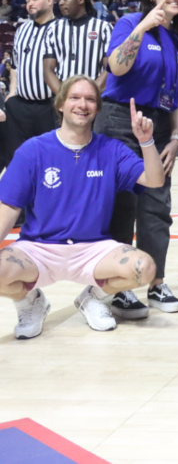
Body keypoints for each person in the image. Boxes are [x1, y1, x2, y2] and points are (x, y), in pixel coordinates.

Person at [0, 77, 163, 338]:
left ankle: (93, 298)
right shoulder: (33, 151)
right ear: (61, 104)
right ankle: (31, 303)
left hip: (92, 249)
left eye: (90, 99)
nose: (82, 104)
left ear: (97, 109)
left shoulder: (111, 149)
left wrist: (146, 141)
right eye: (75, 97)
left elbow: (154, 180)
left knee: (144, 268)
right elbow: (7, 208)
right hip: (39, 248)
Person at [96, 0, 178, 318]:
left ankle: (157, 281)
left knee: (156, 204)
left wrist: (177, 137)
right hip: (121, 119)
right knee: (123, 204)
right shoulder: (129, 22)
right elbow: (117, 68)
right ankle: (120, 287)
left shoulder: (177, 38)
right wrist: (142, 27)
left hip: (159, 124)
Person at [5, 0, 59, 160]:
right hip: (21, 105)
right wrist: (12, 92)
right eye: (28, 1)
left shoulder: (63, 29)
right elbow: (15, 64)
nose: (30, 4)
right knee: (17, 156)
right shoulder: (22, 29)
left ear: (50, 1)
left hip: (50, 105)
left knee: (50, 157)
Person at [45, 0, 112, 95]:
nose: (60, 3)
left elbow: (109, 69)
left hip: (94, 97)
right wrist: (64, 98)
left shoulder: (103, 27)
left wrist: (90, 95)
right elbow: (48, 70)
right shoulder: (53, 28)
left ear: (80, 0)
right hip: (62, 97)